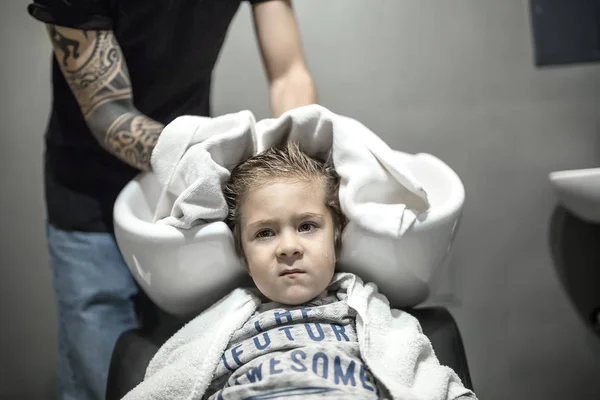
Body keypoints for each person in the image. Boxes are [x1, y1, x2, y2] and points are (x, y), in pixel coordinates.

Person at [27, 1, 317, 399]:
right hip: (90, 193)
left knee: (184, 365)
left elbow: (289, 74)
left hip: (191, 191)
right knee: (98, 373)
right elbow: (108, 111)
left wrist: (302, 166)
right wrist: (206, 159)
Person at [122, 142, 477, 399]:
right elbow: (166, 385)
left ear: (336, 238)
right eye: (264, 233)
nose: (288, 246)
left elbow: (430, 381)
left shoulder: (369, 315)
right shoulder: (218, 327)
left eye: (307, 226)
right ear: (242, 254)